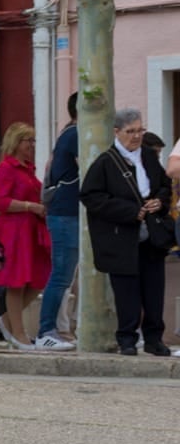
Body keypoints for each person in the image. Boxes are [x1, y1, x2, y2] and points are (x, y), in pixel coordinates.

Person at [81, 108, 174, 357]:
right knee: (127, 291)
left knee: (154, 290)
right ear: (117, 132)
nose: (136, 136)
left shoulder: (148, 156)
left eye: (139, 130)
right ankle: (127, 339)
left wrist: (160, 202)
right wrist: (130, 211)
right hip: (121, 237)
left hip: (151, 236)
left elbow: (164, 186)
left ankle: (154, 339)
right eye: (130, 131)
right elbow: (91, 197)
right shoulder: (105, 162)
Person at [0, 123, 52, 349]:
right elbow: (0, 202)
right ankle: (18, 333)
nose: (31, 145)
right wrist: (30, 206)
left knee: (40, 277)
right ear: (16, 143)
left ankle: (9, 320)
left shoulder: (27, 169)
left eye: (33, 140)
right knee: (16, 283)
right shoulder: (6, 169)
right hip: (14, 231)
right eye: (27, 140)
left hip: (30, 230)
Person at [38, 94, 80, 349]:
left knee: (64, 276)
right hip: (65, 214)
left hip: (67, 213)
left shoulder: (67, 133)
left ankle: (53, 330)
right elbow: (90, 167)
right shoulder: (75, 134)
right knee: (61, 275)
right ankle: (46, 332)